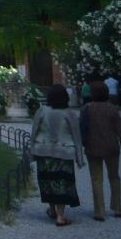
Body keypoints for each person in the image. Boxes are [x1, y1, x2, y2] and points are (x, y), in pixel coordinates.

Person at [30, 84, 83, 227]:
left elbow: (34, 131)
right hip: (63, 152)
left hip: (44, 151)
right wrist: (80, 158)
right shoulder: (69, 113)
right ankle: (60, 215)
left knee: (48, 181)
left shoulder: (42, 111)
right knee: (62, 182)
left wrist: (31, 151)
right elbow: (77, 137)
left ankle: (52, 209)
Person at [81, 81, 121, 221]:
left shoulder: (86, 108)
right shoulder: (112, 108)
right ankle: (117, 208)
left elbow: (82, 128)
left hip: (93, 147)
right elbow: (120, 130)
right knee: (114, 178)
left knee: (96, 179)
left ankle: (99, 211)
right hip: (111, 147)